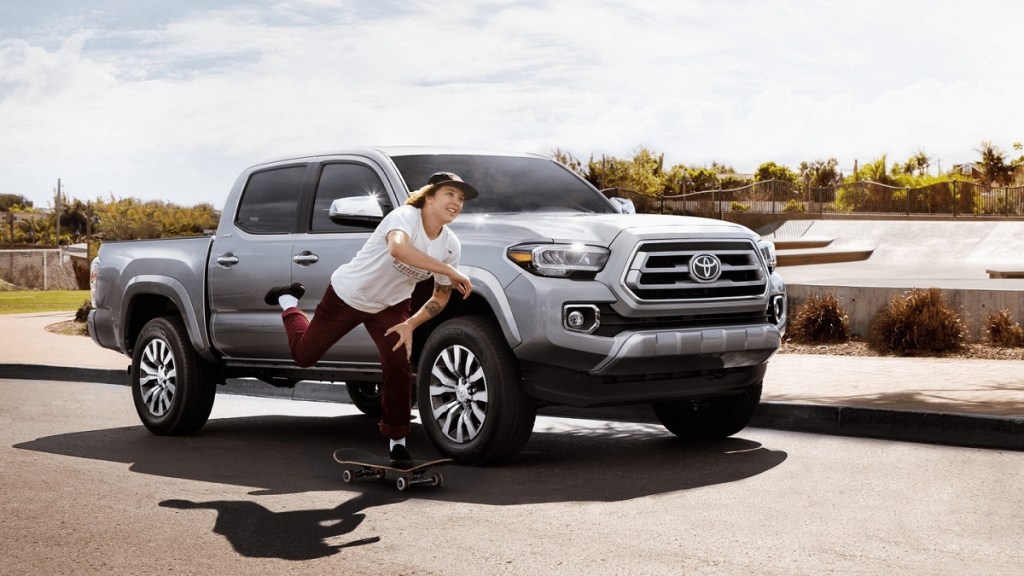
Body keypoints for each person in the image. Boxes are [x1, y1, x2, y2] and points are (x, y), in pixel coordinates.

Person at [263, 172, 477, 465]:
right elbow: (398, 249)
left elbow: (440, 296)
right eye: (449, 194)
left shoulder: (450, 245)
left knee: (398, 366)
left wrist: (410, 324)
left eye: (461, 198)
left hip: (391, 306)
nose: (456, 202)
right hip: (348, 295)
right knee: (304, 354)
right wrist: (451, 272)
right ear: (429, 196)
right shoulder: (404, 217)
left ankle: (397, 442)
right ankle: (288, 301)